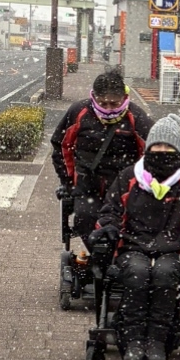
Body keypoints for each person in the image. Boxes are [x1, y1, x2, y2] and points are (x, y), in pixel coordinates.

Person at [87, 114, 180, 360]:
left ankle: (157, 341)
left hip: (172, 249)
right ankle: (132, 341)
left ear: (178, 150)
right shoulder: (129, 177)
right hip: (133, 246)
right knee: (137, 272)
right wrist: (108, 228)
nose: (162, 151)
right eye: (157, 146)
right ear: (148, 147)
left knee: (165, 274)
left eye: (168, 147)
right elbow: (110, 211)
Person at [50, 69, 152, 240]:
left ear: (124, 98)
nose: (109, 109)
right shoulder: (79, 111)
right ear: (94, 97)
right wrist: (68, 182)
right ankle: (98, 259)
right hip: (87, 186)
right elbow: (61, 146)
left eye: (114, 103)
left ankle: (119, 259)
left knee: (129, 225)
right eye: (103, 103)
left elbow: (151, 153)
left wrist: (144, 184)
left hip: (124, 187)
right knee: (84, 220)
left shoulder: (137, 117)